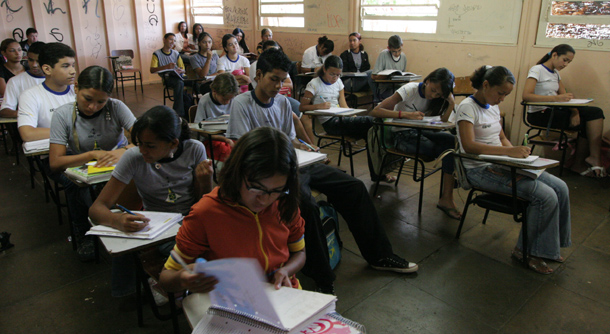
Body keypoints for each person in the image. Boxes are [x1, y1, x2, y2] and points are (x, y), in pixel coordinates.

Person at [227, 48, 418, 294]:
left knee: (354, 187)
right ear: (258, 74)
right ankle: (322, 278)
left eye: (282, 79)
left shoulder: (284, 103)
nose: (278, 85)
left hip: (297, 164)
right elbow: (242, 150)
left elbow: (290, 140)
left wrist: (309, 148)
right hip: (269, 176)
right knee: (307, 206)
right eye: (273, 79)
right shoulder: (242, 104)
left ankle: (380, 255)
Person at [159, 127, 306, 292]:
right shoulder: (206, 212)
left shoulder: (284, 201)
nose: (264, 199)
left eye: (276, 190)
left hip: (283, 293)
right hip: (234, 300)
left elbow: (299, 251)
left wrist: (286, 270)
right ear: (237, 172)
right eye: (256, 188)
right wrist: (183, 279)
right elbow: (166, 276)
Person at [456, 65, 571, 275]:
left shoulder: (493, 106)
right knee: (545, 196)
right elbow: (469, 146)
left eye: (506, 95)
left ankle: (549, 247)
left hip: (500, 162)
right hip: (480, 169)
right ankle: (526, 251)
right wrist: (508, 154)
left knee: (561, 187)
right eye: (500, 93)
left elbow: (501, 138)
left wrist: (518, 156)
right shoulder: (467, 107)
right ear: (486, 85)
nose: (502, 99)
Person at [89, 105, 213, 297]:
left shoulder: (194, 149)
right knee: (193, 258)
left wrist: (205, 181)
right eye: (139, 144)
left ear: (173, 143)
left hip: (191, 220)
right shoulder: (133, 157)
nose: (143, 151)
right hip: (159, 228)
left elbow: (203, 204)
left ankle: (179, 290)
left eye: (150, 146)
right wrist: (117, 220)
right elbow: (97, 208)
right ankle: (175, 289)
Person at [49, 66, 136, 261]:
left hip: (114, 160)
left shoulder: (116, 107)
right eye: (87, 99)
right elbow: (55, 162)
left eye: (100, 102)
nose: (92, 107)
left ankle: (128, 219)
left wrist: (122, 151)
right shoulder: (62, 114)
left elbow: (142, 138)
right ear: (76, 87)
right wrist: (91, 155)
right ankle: (83, 231)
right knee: (74, 185)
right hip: (82, 162)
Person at [370, 67, 460, 219]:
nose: (433, 96)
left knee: (452, 143)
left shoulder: (436, 99)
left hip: (420, 131)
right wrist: (406, 115)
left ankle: (446, 197)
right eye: (433, 90)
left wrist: (451, 103)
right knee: (443, 150)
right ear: (428, 80)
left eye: (439, 94)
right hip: (401, 135)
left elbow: (443, 120)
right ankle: (450, 184)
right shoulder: (409, 89)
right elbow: (376, 111)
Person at [522, 44, 605, 177]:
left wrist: (575, 112)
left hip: (554, 111)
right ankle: (581, 163)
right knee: (586, 123)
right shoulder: (537, 70)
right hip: (540, 114)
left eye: (569, 62)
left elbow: (565, 97)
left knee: (595, 113)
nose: (566, 64)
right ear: (554, 55)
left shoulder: (556, 74)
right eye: (565, 60)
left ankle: (593, 157)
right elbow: (526, 95)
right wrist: (556, 98)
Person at [17, 42, 76, 142]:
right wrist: (74, 132)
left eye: (73, 65)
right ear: (47, 69)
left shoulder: (78, 91)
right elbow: (27, 134)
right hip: (51, 154)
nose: (73, 71)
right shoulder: (30, 96)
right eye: (65, 66)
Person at [194, 72, 238, 162]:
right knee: (228, 153)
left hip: (229, 137)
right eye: (225, 99)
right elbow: (200, 131)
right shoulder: (205, 101)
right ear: (214, 91)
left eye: (230, 99)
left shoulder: (233, 100)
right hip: (211, 139)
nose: (228, 102)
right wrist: (225, 139)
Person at [0, 41, 45, 118]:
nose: (34, 65)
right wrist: (27, 113)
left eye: (38, 61)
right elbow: (4, 110)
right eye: (31, 60)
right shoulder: (15, 81)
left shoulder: (59, 80)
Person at [150, 33, 186, 117]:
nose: (172, 42)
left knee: (195, 82)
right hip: (168, 78)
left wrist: (181, 70)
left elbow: (183, 68)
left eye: (174, 40)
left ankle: (192, 108)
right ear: (164, 40)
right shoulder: (157, 53)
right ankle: (178, 113)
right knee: (179, 83)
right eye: (170, 39)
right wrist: (166, 67)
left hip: (179, 76)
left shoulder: (176, 53)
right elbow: (152, 70)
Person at [371, 35, 407, 101]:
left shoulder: (403, 56)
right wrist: (387, 76)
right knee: (399, 97)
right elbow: (373, 76)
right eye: (394, 51)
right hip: (386, 89)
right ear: (388, 48)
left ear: (402, 45)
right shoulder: (383, 55)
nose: (397, 53)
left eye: (399, 50)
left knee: (409, 94)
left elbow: (402, 74)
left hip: (399, 87)